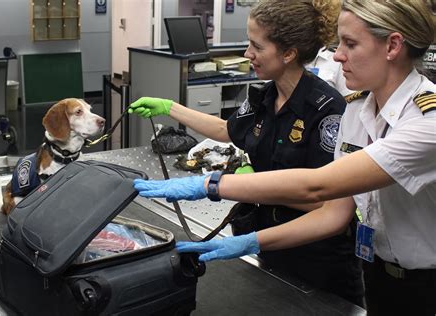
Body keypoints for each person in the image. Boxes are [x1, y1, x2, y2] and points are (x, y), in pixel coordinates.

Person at [132, 0, 436, 315]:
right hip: (376, 271)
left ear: (393, 46)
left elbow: (318, 187)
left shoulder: (427, 122)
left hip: (426, 284)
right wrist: (250, 242)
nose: (337, 55)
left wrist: (212, 184)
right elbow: (334, 211)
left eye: (350, 43)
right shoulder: (359, 110)